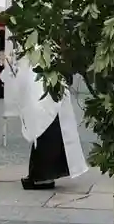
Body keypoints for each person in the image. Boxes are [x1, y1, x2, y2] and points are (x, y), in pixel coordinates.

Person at [11, 50, 89, 190]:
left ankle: (43, 176)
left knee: (47, 123)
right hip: (46, 77)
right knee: (46, 122)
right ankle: (43, 175)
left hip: (48, 78)